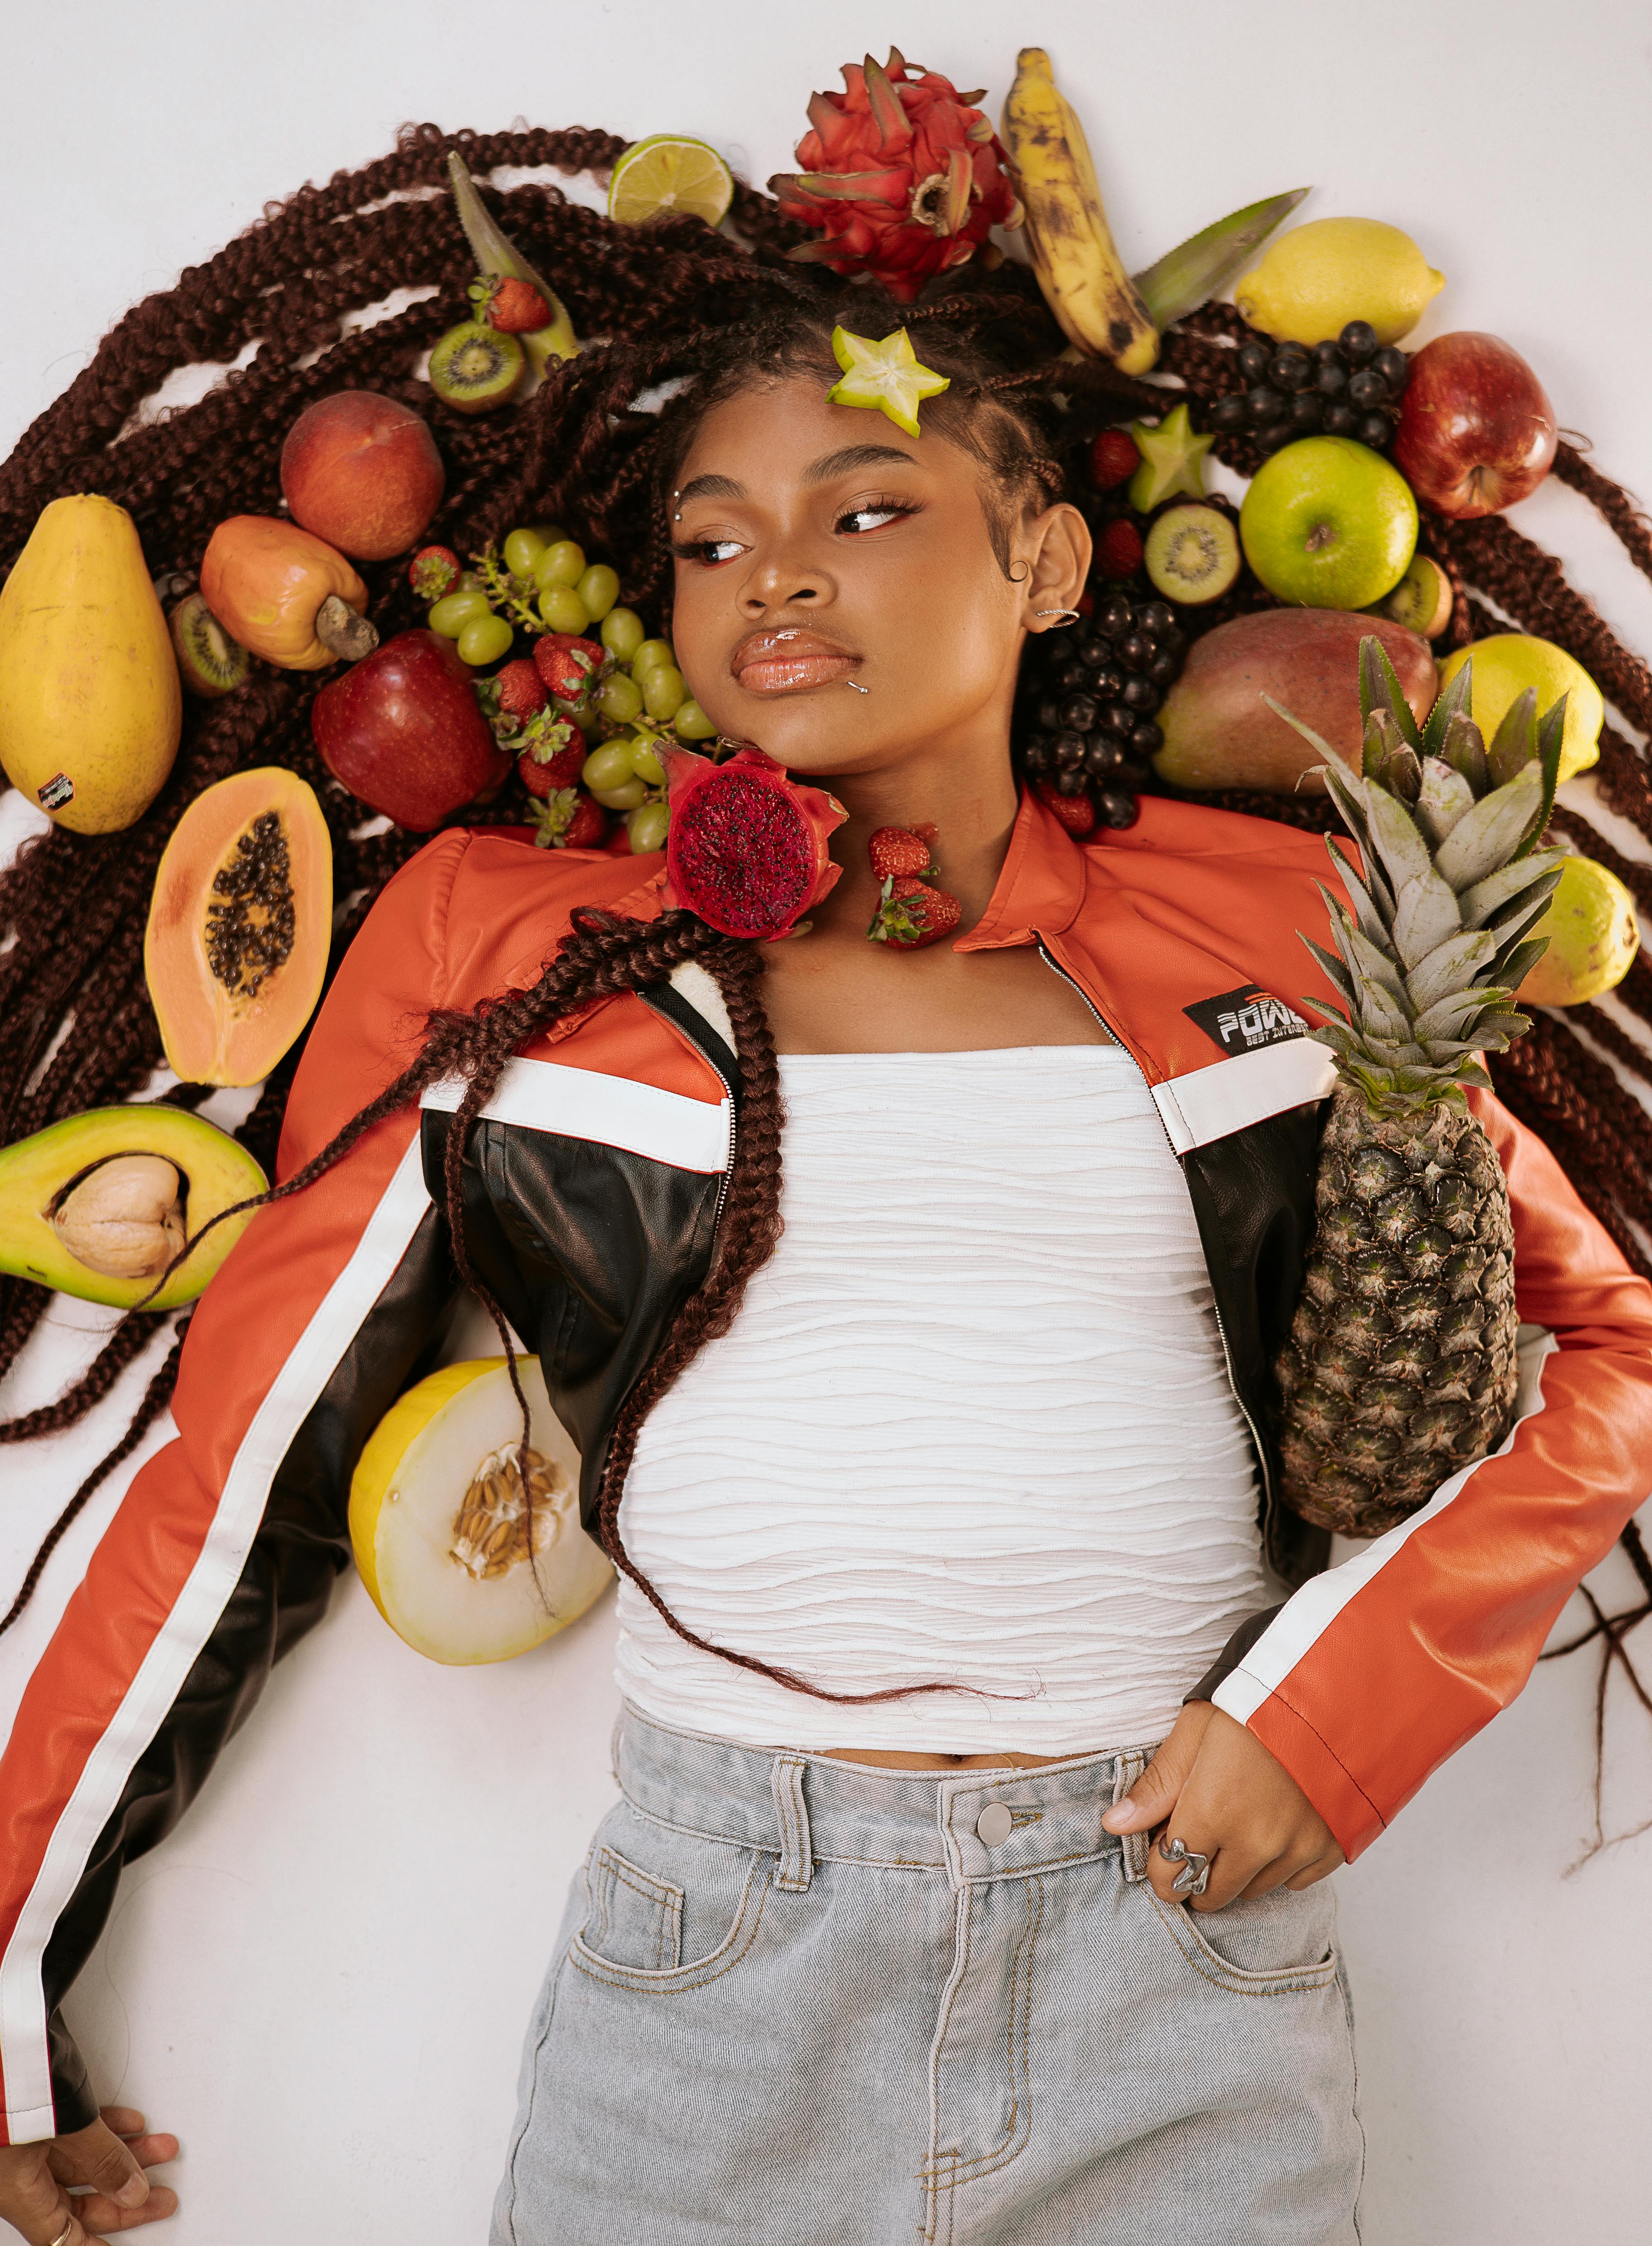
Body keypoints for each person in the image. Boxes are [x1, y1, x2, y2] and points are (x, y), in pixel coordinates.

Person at [1, 254, 1650, 2246]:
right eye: (713, 541)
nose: (775, 573)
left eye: (865, 510)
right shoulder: (505, 948)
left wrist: (1337, 1719)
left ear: (1044, 562)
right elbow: (230, 1484)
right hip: (717, 1973)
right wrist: (6, 1984)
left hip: (1182, 1959)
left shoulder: (1286, 922)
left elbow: (1603, 1348)